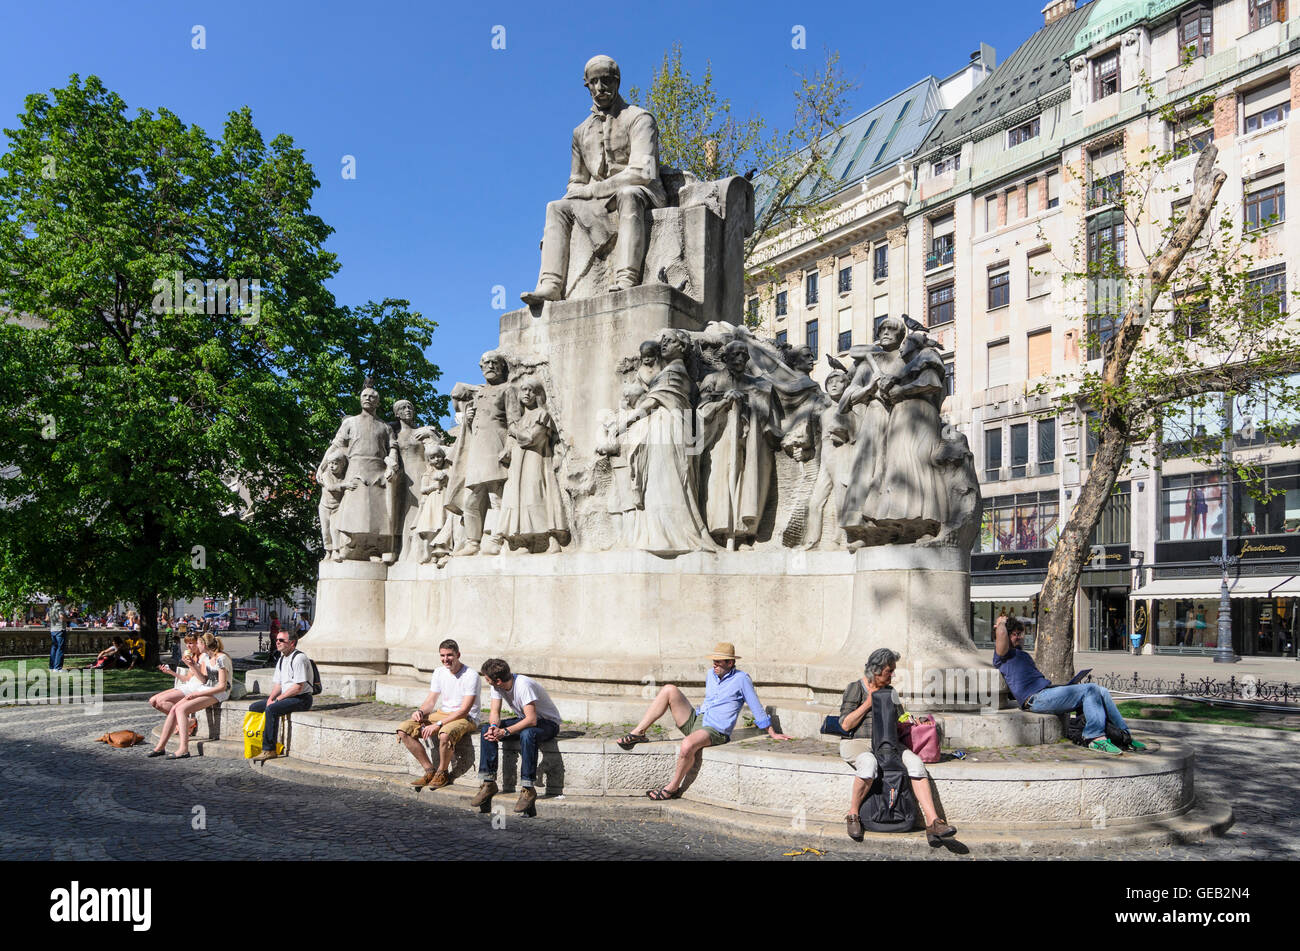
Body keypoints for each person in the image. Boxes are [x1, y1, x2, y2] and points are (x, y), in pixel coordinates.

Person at [522, 54, 666, 304]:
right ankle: (551, 284)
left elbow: (643, 173)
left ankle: (626, 277)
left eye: (607, 81)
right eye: (594, 82)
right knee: (556, 208)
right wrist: (577, 194)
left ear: (618, 82)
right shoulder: (580, 132)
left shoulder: (640, 119)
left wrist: (590, 191)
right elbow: (576, 181)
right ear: (586, 85)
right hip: (599, 201)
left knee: (628, 194)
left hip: (644, 193)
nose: (601, 88)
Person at [616, 642, 791, 800]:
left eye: (719, 662)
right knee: (669, 689)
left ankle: (672, 788)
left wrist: (772, 732)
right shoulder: (711, 674)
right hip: (698, 720)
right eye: (713, 661)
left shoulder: (742, 679)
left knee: (686, 746)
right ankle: (638, 733)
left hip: (716, 730)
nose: (714, 665)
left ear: (730, 663)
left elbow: (755, 705)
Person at [838, 648, 956, 843]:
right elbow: (845, 724)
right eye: (889, 671)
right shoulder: (855, 688)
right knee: (868, 763)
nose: (893, 675)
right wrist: (869, 702)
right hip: (859, 742)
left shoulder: (891, 692)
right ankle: (853, 815)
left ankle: (933, 822)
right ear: (875, 670)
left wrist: (914, 722)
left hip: (888, 744)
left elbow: (900, 719)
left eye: (893, 670)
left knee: (916, 764)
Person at [993, 614, 1145, 754]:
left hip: (1047, 692)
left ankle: (1125, 736)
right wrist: (1001, 623)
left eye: (1020, 633)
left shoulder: (1023, 655)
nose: (1018, 637)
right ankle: (1094, 738)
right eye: (1014, 634)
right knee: (1090, 689)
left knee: (1102, 690)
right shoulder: (1003, 656)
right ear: (1006, 635)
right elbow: (1000, 635)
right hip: (1034, 699)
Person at [472, 658, 564, 813]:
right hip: (526, 720)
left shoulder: (523, 685)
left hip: (548, 724)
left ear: (498, 681)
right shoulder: (498, 686)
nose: (487, 682)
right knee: (486, 729)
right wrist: (495, 727)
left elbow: (532, 720)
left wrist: (506, 731)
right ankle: (488, 782)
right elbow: (494, 712)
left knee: (528, 734)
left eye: (488, 679)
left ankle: (528, 788)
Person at [395, 639, 481, 789]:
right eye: (442, 655)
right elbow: (431, 701)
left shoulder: (471, 675)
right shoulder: (439, 672)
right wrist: (420, 711)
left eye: (449, 655)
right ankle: (429, 771)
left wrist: (438, 724)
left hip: (466, 717)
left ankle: (442, 772)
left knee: (444, 734)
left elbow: (464, 710)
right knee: (404, 729)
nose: (445, 659)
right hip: (443, 713)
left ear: (458, 654)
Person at [147, 633, 231, 759]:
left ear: (203, 645)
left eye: (198, 643)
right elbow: (205, 680)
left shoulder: (221, 658)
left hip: (219, 693)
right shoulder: (208, 658)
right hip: (207, 689)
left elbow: (222, 686)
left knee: (181, 709)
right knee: (174, 709)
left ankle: (183, 749)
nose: (196, 645)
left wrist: (197, 693)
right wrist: (192, 666)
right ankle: (160, 747)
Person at [248, 630, 315, 762]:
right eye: (277, 639)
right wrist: (270, 699)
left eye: (281, 640)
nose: (277, 642)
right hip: (288, 696)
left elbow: (298, 687)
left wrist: (277, 700)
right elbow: (278, 684)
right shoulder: (282, 659)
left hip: (301, 698)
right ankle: (257, 742)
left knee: (272, 709)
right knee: (254, 707)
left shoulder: (299, 658)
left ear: (292, 643)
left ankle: (269, 749)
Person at [48, 597, 67, 672]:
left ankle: (51, 667)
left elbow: (47, 618)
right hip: (60, 629)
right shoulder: (60, 606)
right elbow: (62, 617)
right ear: (61, 599)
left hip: (53, 629)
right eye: (64, 599)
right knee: (60, 648)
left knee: (54, 648)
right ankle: (57, 667)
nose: (64, 601)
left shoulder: (52, 607)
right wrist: (70, 619)